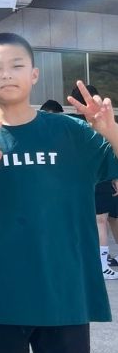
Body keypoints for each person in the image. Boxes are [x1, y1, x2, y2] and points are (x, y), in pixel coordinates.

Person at [0, 32, 117, 353]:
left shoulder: (73, 133)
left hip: (65, 294)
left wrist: (109, 129)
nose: (7, 74)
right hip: (2, 297)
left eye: (17, 65)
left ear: (33, 74)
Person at [67, 84, 118, 280]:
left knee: (101, 220)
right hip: (98, 178)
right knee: (102, 220)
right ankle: (102, 264)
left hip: (96, 178)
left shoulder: (79, 124)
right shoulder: (87, 124)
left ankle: (102, 263)